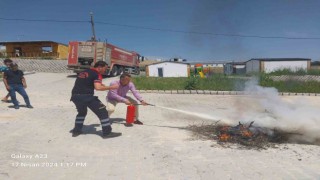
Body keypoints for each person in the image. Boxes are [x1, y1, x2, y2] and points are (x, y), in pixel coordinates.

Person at [70, 61, 121, 138]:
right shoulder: (97, 74)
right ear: (99, 67)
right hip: (87, 97)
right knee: (103, 112)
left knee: (82, 113)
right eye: (105, 68)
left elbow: (87, 83)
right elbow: (98, 88)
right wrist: (112, 87)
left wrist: (101, 85)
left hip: (75, 97)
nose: (105, 70)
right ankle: (107, 133)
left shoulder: (84, 72)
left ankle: (76, 131)